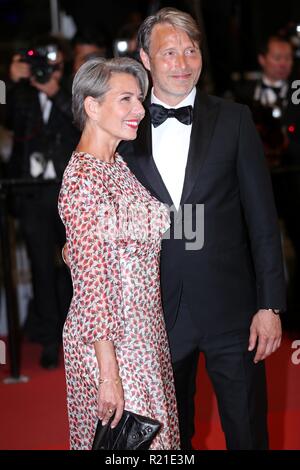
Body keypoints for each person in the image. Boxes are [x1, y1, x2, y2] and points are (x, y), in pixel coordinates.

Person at [118, 8, 286, 450]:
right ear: (146, 59)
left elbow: (263, 219)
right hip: (155, 313)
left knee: (248, 431)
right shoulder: (123, 126)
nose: (182, 62)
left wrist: (270, 304)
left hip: (234, 312)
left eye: (191, 51)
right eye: (169, 52)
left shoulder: (233, 119)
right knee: (171, 439)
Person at [58, 57, 180, 450]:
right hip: (111, 344)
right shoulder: (83, 179)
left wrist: (72, 249)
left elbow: (98, 244)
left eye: (140, 99)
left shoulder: (117, 166)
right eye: (125, 99)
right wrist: (108, 372)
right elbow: (93, 286)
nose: (140, 110)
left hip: (144, 336)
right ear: (92, 106)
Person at [6, 36, 78, 369]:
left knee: (75, 266)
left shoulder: (74, 93)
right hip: (32, 192)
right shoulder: (20, 94)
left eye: (55, 66)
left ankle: (77, 334)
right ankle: (50, 337)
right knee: (39, 266)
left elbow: (86, 121)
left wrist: (56, 93)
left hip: (69, 193)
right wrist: (8, 81)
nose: (47, 71)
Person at [234, 35, 300, 327]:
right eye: (278, 57)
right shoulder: (242, 93)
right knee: (257, 244)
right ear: (262, 59)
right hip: (257, 183)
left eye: (288, 58)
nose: (284, 64)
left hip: (295, 180)